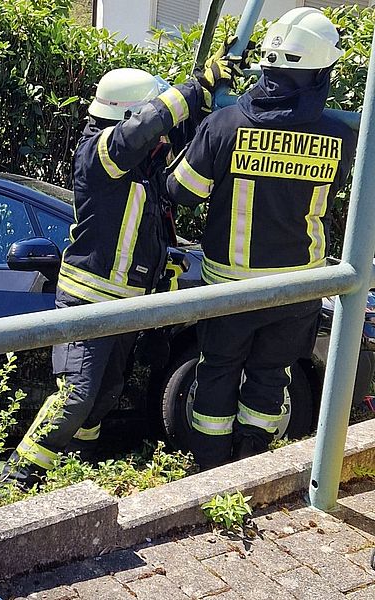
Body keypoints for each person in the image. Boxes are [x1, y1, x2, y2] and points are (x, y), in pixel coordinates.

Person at [1, 53, 239, 488]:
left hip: (125, 306)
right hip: (89, 303)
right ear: (128, 115)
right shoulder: (100, 153)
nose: (160, 136)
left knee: (104, 396)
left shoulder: (142, 164)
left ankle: (76, 467)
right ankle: (17, 476)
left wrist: (205, 97)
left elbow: (173, 136)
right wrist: (192, 88)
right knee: (75, 397)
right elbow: (146, 127)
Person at [166, 7, 357, 469]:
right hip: (298, 288)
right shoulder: (340, 135)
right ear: (320, 73)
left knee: (217, 373)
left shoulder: (226, 124)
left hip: (230, 289)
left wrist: (198, 135)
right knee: (272, 376)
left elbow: (182, 191)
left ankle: (211, 469)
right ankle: (252, 458)